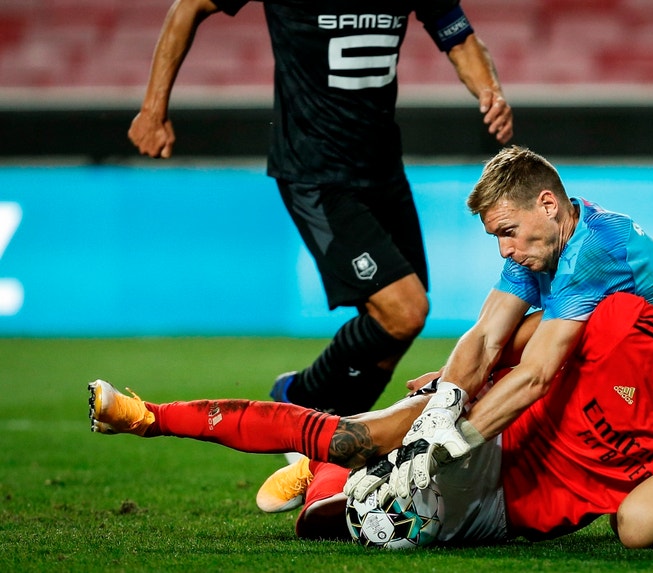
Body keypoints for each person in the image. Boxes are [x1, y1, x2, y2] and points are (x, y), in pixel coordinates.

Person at [91, 293, 653, 556]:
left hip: (517, 516)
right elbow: (527, 340)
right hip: (493, 434)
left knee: (350, 523)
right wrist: (457, 383)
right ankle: (150, 416)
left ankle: (323, 481)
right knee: (356, 439)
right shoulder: (627, 321)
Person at [387, 145, 653, 544]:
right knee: (641, 514)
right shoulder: (545, 238)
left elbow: (537, 373)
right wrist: (450, 389)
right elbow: (487, 336)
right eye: (497, 235)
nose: (504, 249)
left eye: (507, 231)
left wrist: (447, 442)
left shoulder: (592, 255)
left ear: (547, 205)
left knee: (644, 524)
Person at [127, 0, 514, 415]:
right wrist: (153, 109)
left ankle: (338, 434)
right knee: (405, 311)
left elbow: (460, 40)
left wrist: (488, 90)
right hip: (317, 173)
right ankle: (299, 397)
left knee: (396, 329)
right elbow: (189, 6)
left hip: (382, 170)